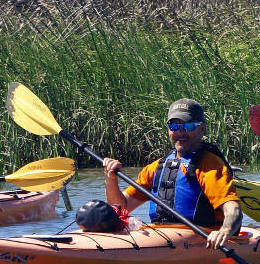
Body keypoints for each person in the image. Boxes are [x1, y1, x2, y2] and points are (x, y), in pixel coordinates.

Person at [102, 98, 241, 252]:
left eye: (187, 126)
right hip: (160, 234)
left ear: (202, 129)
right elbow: (122, 208)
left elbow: (233, 209)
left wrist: (225, 231)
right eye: (173, 126)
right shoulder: (156, 167)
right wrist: (111, 180)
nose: (179, 132)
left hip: (200, 237)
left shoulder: (210, 166)